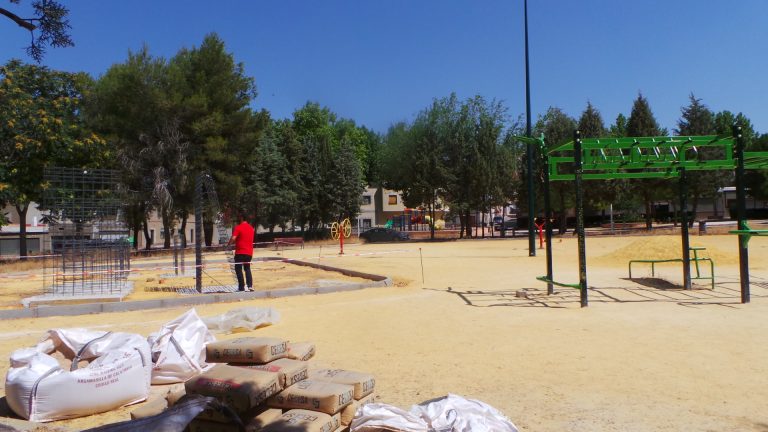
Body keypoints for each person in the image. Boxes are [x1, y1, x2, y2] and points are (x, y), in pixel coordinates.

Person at [227, 213, 254, 292]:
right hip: (249, 252)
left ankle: (241, 287)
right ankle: (250, 286)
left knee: (238, 269)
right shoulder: (251, 228)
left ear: (241, 217)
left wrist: (228, 245)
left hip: (240, 252)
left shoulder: (238, 227)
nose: (238, 218)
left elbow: (233, 238)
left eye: (239, 216)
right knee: (247, 268)